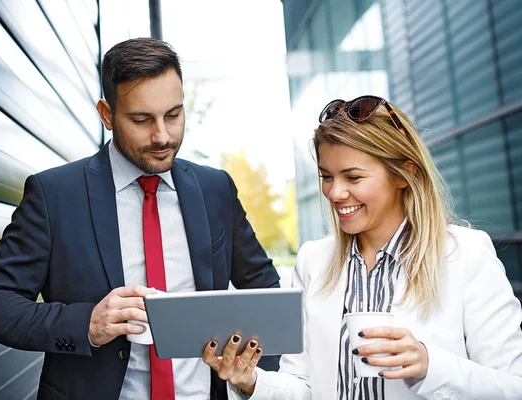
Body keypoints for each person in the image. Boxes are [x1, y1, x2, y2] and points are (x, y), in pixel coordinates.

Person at [0, 37, 280, 400]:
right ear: (106, 114)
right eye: (141, 119)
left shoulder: (216, 189)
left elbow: (267, 293)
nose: (162, 135)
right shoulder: (54, 194)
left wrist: (256, 381)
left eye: (174, 115)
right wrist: (87, 323)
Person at [203, 95, 522, 399]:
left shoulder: (465, 255)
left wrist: (428, 365)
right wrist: (250, 381)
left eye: (353, 178)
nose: (335, 193)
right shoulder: (314, 261)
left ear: (404, 174)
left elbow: (512, 387)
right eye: (326, 176)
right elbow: (305, 386)